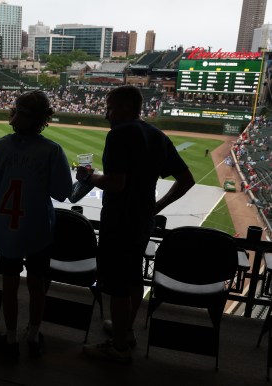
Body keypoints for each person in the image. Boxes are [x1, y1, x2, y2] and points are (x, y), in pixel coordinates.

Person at [79, 85, 195, 364]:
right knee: (132, 277)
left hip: (119, 220)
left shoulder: (119, 134)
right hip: (143, 220)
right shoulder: (157, 135)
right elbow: (186, 180)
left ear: (126, 108)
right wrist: (156, 208)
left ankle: (118, 347)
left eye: (109, 106)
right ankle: (126, 331)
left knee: (118, 284)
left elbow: (116, 183)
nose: (105, 113)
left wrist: (88, 177)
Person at [0, 90, 72, 360]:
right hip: (39, 229)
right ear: (44, 119)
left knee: (9, 284)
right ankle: (33, 334)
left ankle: (10, 337)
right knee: (37, 283)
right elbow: (63, 193)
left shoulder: (0, 146)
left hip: (6, 230)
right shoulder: (52, 150)